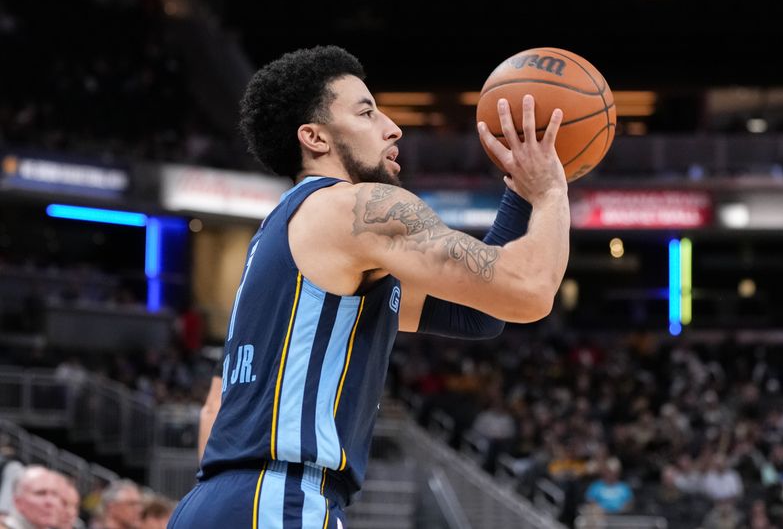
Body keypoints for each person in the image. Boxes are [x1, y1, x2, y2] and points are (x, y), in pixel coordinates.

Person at [171, 45, 570, 529]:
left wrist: (517, 191)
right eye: (366, 111)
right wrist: (549, 191)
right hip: (277, 499)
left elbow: (481, 313)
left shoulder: (292, 234)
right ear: (314, 137)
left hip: (220, 502)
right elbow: (529, 290)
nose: (393, 127)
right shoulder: (355, 208)